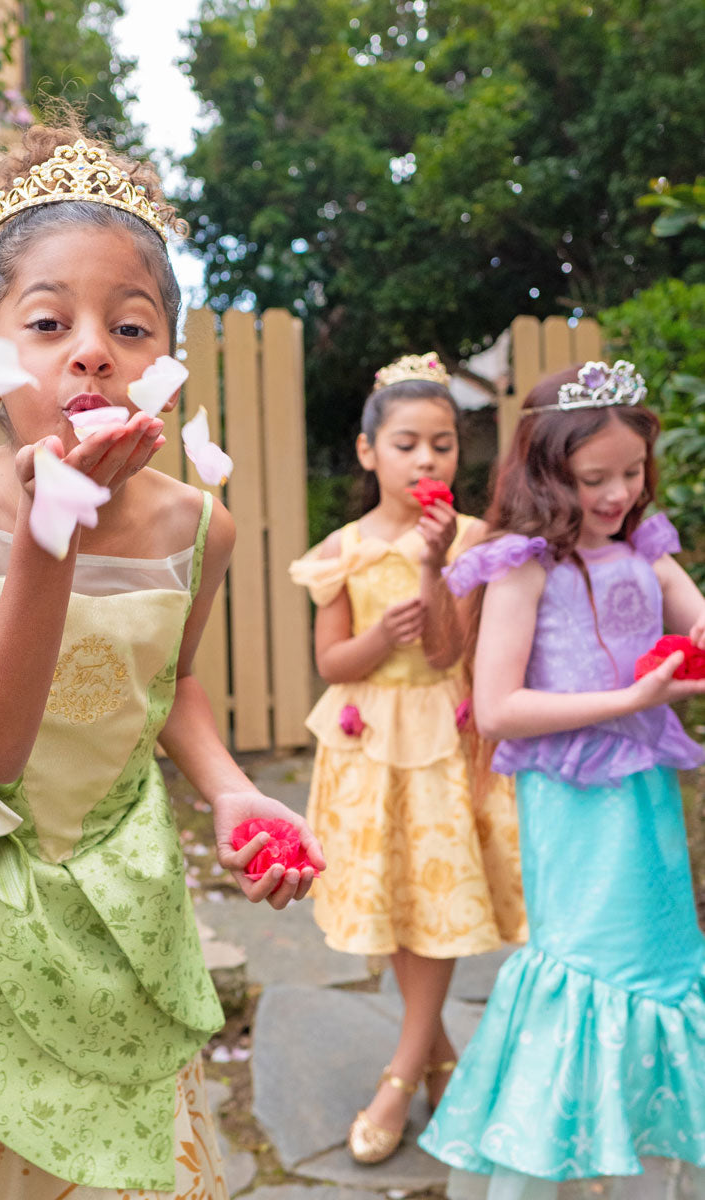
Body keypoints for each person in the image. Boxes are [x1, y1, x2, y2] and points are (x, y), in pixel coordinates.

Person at [0, 116, 324, 1200]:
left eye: (132, 327)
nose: (93, 348)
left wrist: (232, 792)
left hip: (111, 893)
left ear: (166, 366)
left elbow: (167, 682)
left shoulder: (202, 528)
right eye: (48, 322)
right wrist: (56, 534)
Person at [418, 361, 705, 1198]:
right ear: (547, 472)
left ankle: (644, 1159)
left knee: (658, 967)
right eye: (595, 478)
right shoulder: (521, 566)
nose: (618, 493)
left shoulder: (645, 551)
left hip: (645, 796)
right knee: (589, 965)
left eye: (632, 473)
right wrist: (634, 696)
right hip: (574, 804)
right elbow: (498, 707)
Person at [289, 354, 526, 1165]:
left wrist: (432, 568)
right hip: (368, 745)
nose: (427, 461)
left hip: (442, 743)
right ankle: (438, 1057)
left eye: (443, 445)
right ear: (368, 453)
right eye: (407, 445)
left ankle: (399, 1072)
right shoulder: (341, 550)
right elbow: (331, 663)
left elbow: (448, 652)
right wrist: (369, 638)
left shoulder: (471, 541)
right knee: (395, 904)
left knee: (438, 904)